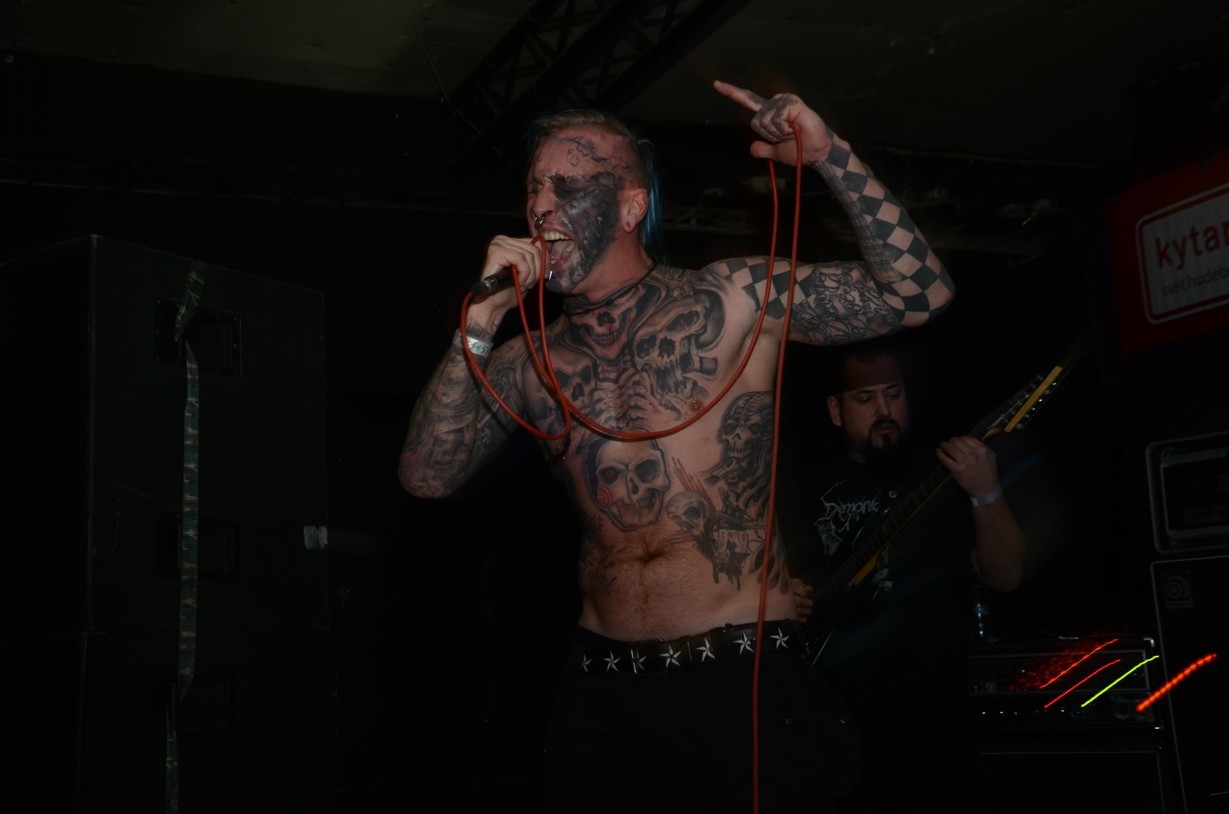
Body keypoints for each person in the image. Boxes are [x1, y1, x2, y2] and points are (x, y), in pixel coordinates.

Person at [398, 79, 956, 814]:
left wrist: (831, 157)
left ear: (630, 208)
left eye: (568, 186)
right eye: (534, 188)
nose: (541, 207)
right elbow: (427, 476)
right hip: (601, 682)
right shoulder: (530, 358)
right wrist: (477, 323)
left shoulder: (732, 299)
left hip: (733, 671)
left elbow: (919, 295)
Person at [778, 337, 1026, 814]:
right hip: (840, 725)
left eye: (893, 394)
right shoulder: (802, 490)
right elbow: (775, 586)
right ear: (835, 411)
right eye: (865, 399)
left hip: (936, 723)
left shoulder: (946, 474)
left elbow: (1006, 576)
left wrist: (986, 490)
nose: (884, 410)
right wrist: (783, 596)